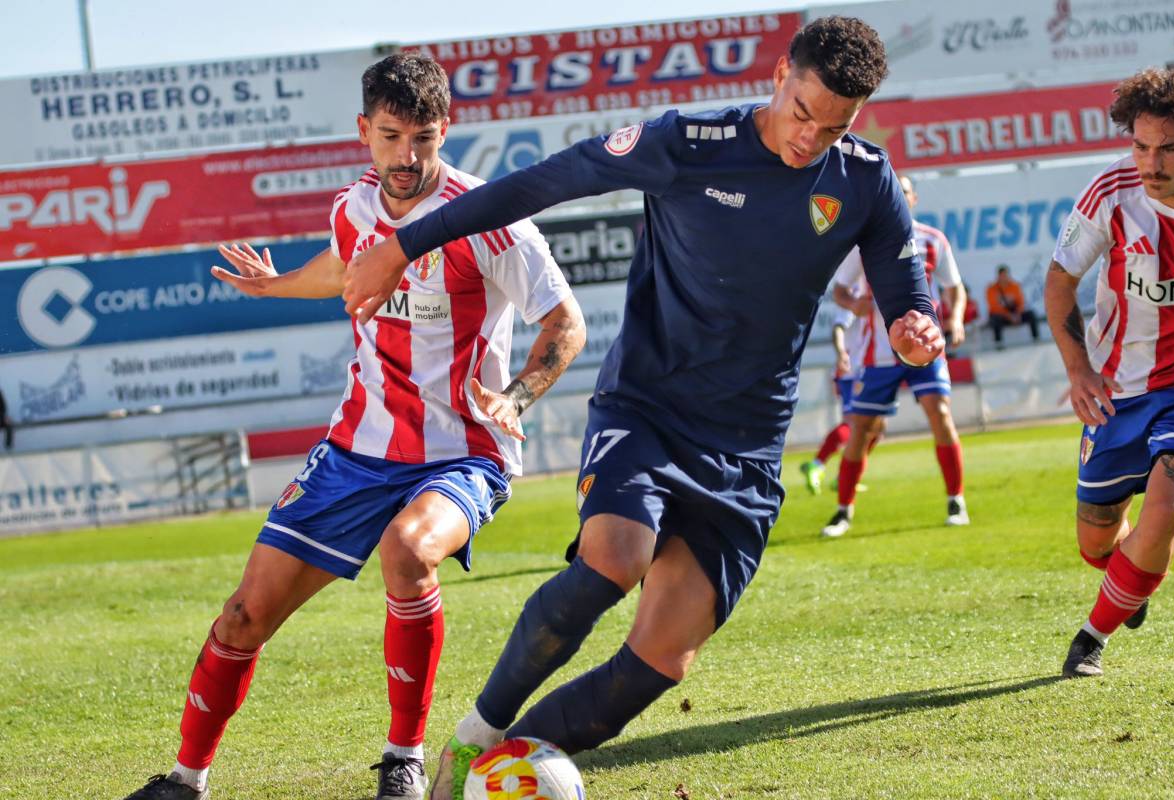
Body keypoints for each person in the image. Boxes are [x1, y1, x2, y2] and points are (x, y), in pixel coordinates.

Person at [343, 17, 944, 800]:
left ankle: (492, 774)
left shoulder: (865, 179)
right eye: (802, 112)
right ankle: (478, 734)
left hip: (748, 447)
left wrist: (913, 328)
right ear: (779, 76)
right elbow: (541, 183)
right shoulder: (687, 143)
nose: (810, 138)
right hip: (648, 409)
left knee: (663, 659)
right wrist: (404, 245)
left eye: (833, 127)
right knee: (613, 562)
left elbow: (905, 292)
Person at [120, 53, 583, 800]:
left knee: (408, 550)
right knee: (242, 615)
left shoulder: (489, 218)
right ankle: (185, 780)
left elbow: (566, 324)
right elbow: (343, 267)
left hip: (462, 451)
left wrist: (518, 396)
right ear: (363, 130)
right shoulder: (352, 207)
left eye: (423, 139)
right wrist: (273, 285)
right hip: (355, 449)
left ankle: (403, 758)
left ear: (445, 130)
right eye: (391, 137)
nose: (407, 157)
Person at [1045, 65, 1174, 678]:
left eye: (1169, 149)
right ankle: (1130, 580)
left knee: (1168, 507)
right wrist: (1079, 371)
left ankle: (1091, 638)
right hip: (1117, 389)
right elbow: (1060, 282)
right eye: (1140, 146)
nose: (1151, 163)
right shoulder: (1110, 191)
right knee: (1097, 542)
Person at [821, 174, 969, 538]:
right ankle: (843, 511)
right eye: (894, 193)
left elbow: (954, 288)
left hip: (926, 347)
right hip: (879, 354)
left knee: (941, 413)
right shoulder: (866, 242)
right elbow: (840, 290)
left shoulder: (933, 240)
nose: (899, 198)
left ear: (913, 199)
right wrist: (854, 304)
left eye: (904, 193)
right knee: (862, 430)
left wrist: (955, 318)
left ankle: (956, 501)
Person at [798, 303, 860, 495]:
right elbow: (838, 327)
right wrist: (841, 354)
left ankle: (846, 475)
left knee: (874, 428)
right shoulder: (855, 296)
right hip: (854, 370)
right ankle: (818, 465)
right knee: (854, 423)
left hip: (864, 369)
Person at [985, 265, 1040, 348]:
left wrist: (1018, 314)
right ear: (998, 276)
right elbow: (994, 307)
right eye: (1002, 276)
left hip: (1015, 314)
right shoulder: (991, 289)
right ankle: (998, 344)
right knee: (995, 319)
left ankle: (1036, 339)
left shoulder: (1015, 286)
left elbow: (1021, 302)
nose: (1004, 278)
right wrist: (1008, 315)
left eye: (1005, 275)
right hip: (1002, 316)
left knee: (1031, 314)